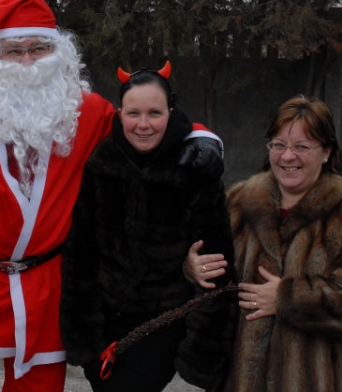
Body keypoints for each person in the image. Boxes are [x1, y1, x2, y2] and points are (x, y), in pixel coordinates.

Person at [0, 0, 225, 391]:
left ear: (57, 52)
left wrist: (199, 136)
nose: (27, 61)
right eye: (14, 50)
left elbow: (144, 128)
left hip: (45, 288)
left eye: (38, 49)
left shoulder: (85, 110)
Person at [59, 63, 237, 392]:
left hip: (165, 325)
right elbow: (80, 255)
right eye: (133, 113)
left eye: (154, 113)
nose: (143, 125)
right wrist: (82, 336)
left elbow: (218, 268)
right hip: (104, 326)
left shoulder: (194, 168)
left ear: (171, 110)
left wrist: (201, 354)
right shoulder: (101, 162)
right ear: (119, 113)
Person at [221, 94, 342, 391]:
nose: (287, 157)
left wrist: (289, 297)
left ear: (326, 151)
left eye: (302, 147)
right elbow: (214, 272)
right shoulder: (240, 201)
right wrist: (195, 267)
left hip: (323, 379)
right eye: (279, 145)